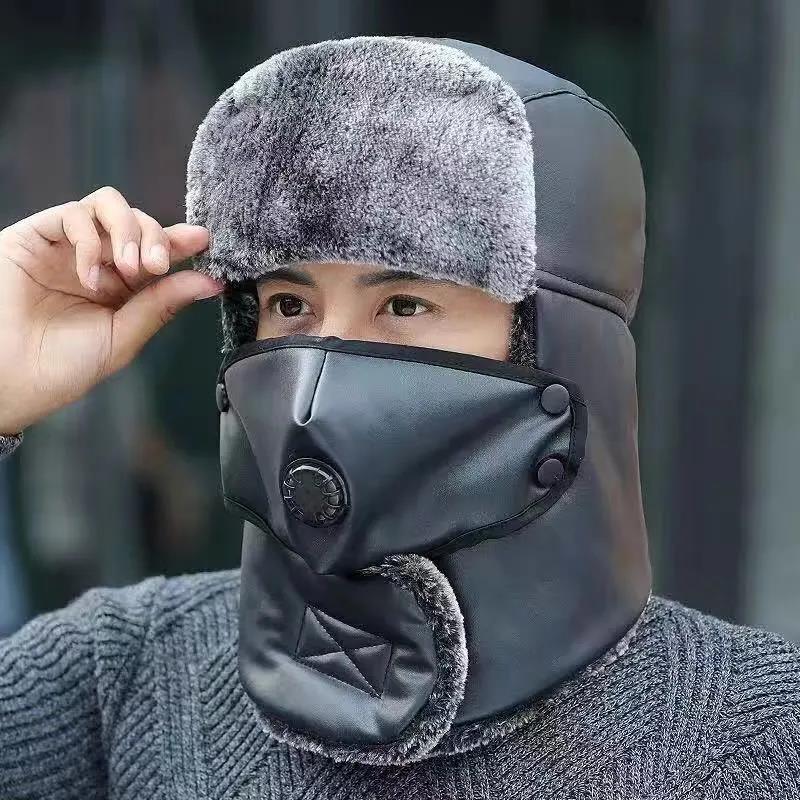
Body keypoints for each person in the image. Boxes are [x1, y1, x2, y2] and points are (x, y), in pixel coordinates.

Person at [1, 34, 800, 800]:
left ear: (557, 347)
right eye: (289, 304)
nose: (320, 366)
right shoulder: (121, 673)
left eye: (404, 303)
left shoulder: (755, 732)